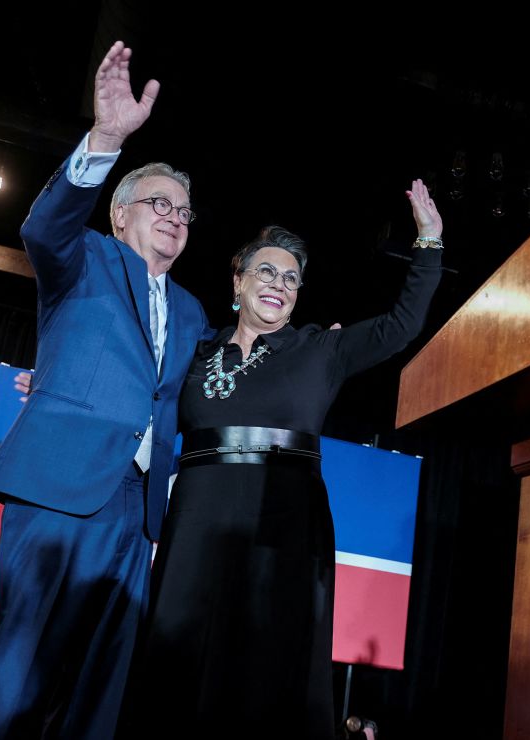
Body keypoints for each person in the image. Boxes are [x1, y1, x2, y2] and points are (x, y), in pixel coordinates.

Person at [125, 180, 443, 737]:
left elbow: (402, 326)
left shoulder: (321, 349)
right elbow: (141, 395)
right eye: (267, 272)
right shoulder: (196, 350)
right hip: (198, 519)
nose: (280, 284)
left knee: (268, 663)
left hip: (284, 523)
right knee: (182, 653)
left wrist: (430, 242)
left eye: (292, 278)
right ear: (238, 281)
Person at [0, 41, 212, 740]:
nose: (175, 217)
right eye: (160, 202)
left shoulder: (191, 311)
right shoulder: (84, 259)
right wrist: (106, 139)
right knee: (22, 664)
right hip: (60, 488)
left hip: (137, 512)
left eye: (186, 213)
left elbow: (205, 389)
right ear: (119, 214)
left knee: (101, 681)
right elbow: (43, 226)